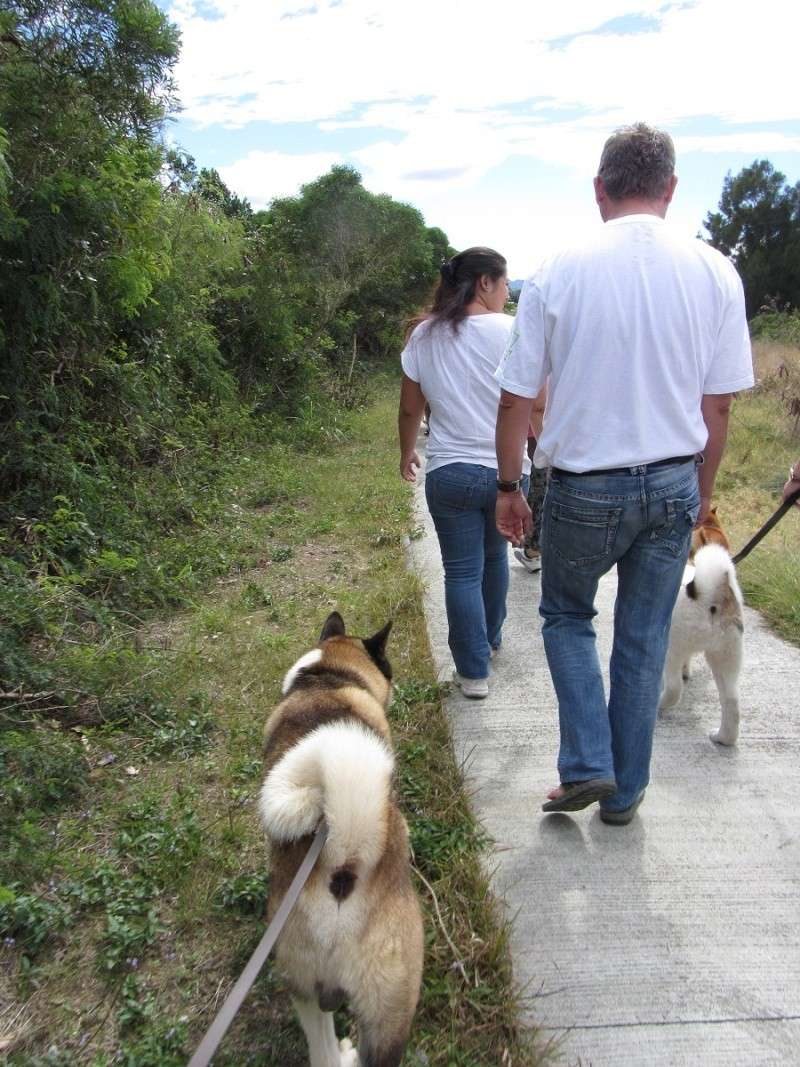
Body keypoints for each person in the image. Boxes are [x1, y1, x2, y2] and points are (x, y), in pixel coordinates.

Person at [494, 123, 754, 824]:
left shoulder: (556, 270)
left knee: (567, 614)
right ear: (671, 188)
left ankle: (587, 763)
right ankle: (626, 793)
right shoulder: (714, 270)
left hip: (583, 484)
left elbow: (518, 394)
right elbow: (719, 401)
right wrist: (701, 489)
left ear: (600, 190)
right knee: (642, 636)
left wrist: (510, 484)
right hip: (673, 480)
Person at [398, 247, 532, 699]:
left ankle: (473, 674)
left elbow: (409, 408)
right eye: (506, 282)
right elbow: (541, 401)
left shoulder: (423, 336)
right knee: (495, 558)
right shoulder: (513, 331)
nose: (509, 292)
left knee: (460, 571)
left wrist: (405, 454)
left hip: (450, 472)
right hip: (506, 473)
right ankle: (490, 640)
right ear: (485, 283)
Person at [514, 395, 548, 573]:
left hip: (525, 424)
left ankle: (532, 549)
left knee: (534, 486)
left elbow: (537, 407)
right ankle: (533, 550)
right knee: (541, 486)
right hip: (547, 426)